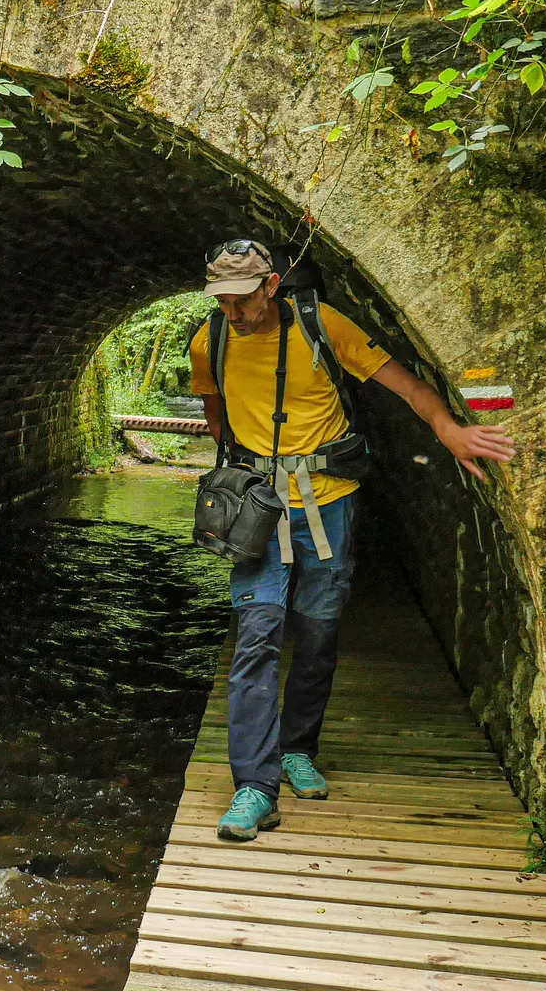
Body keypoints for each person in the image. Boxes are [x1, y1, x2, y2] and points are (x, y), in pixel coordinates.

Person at [188, 239, 515, 841]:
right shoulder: (209, 338)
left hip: (329, 500)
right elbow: (216, 413)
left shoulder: (322, 323)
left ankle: (297, 748)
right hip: (258, 508)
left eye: (242, 299)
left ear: (271, 285)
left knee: (318, 627)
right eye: (222, 301)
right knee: (256, 635)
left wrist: (449, 430)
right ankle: (253, 788)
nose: (233, 312)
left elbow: (406, 385)